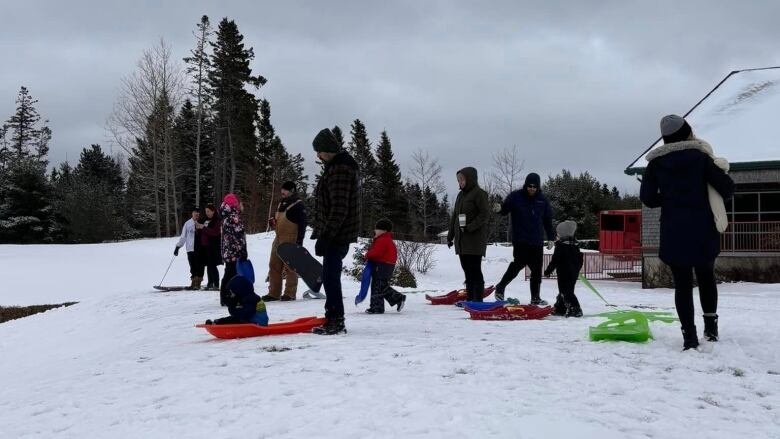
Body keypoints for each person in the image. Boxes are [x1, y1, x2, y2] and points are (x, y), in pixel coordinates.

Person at [640, 114, 734, 350]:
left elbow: (648, 198)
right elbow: (727, 189)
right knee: (705, 277)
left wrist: (670, 198)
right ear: (687, 132)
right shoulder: (700, 158)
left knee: (682, 285)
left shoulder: (655, 163)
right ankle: (711, 329)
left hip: (673, 230)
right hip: (703, 229)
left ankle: (689, 337)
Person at [310, 128, 359, 335]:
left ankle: (336, 320)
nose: (318, 156)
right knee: (329, 275)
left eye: (319, 151)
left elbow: (339, 207)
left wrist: (326, 236)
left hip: (337, 234)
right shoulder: (336, 167)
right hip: (336, 233)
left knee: (330, 276)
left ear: (327, 150)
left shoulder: (340, 169)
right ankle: (333, 316)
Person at [493, 173, 555, 304]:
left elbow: (548, 220)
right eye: (529, 186)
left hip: (536, 241)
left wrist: (551, 237)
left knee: (537, 270)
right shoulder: (516, 197)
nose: (532, 189)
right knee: (518, 264)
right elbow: (505, 209)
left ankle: (535, 297)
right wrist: (499, 209)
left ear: (538, 187)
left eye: (535, 187)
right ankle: (500, 287)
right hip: (521, 239)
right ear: (526, 185)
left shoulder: (543, 200)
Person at [447, 167, 490, 303]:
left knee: (475, 269)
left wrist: (470, 227)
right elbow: (455, 216)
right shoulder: (460, 196)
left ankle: (477, 299)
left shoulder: (479, 194)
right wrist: (450, 235)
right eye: (458, 180)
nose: (460, 182)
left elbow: (484, 214)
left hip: (475, 240)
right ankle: (470, 297)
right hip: (462, 241)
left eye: (462, 179)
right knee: (467, 270)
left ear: (470, 179)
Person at [263, 181, 307, 302]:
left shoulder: (299, 205)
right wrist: (273, 222)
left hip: (291, 239)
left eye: (285, 190)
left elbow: (303, 225)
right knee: (274, 265)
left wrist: (299, 242)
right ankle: (273, 293)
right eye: (282, 189)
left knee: (290, 267)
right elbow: (279, 220)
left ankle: (289, 293)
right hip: (278, 238)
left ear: (292, 190)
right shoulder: (281, 203)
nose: (282, 192)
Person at [364, 219, 407, 314]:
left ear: (384, 231)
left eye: (377, 229)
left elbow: (377, 252)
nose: (375, 230)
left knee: (377, 286)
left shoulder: (383, 240)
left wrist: (367, 255)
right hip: (387, 266)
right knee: (381, 286)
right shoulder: (386, 239)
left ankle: (378, 307)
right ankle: (394, 300)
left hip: (382, 265)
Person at [544, 220, 584, 317]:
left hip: (563, 272)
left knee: (567, 292)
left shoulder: (561, 246)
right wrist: (577, 269)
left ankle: (576, 308)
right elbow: (580, 260)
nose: (557, 235)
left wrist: (548, 271)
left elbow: (555, 260)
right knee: (565, 291)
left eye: (558, 233)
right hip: (573, 273)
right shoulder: (575, 245)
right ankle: (560, 308)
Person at [219, 193, 248, 307]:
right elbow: (238, 236)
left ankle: (226, 296)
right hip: (235, 252)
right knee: (233, 274)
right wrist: (243, 251)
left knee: (229, 273)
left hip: (228, 251)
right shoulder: (233, 218)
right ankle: (228, 297)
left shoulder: (225, 217)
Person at [174, 207, 205, 289]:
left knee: (200, 266)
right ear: (192, 214)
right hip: (190, 248)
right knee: (193, 266)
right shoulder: (187, 224)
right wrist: (178, 247)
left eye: (198, 214)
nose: (196, 215)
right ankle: (194, 282)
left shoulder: (202, 222)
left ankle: (198, 283)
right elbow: (183, 236)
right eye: (195, 213)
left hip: (200, 249)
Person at [197, 204, 222, 290]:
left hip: (213, 246)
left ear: (213, 211)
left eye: (208, 211)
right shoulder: (205, 220)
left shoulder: (217, 220)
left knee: (212, 265)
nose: (207, 213)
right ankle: (210, 283)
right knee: (208, 265)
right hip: (205, 246)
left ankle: (216, 283)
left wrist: (203, 228)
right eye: (206, 211)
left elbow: (215, 232)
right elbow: (203, 230)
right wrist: (199, 228)